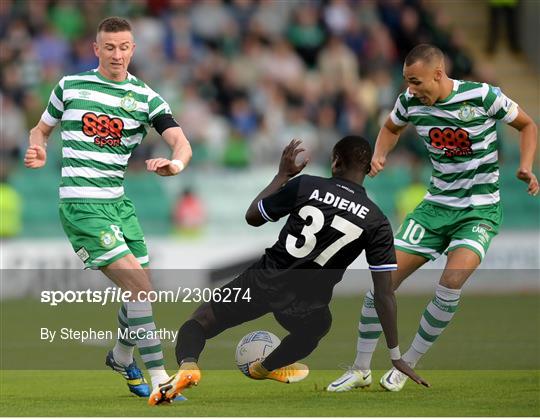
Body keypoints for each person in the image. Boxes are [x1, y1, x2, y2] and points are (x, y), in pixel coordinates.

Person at [148, 137, 430, 406]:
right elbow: (384, 293)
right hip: (308, 302)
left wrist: (282, 175)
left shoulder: (306, 186)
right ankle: (265, 367)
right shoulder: (377, 221)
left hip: (264, 279)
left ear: (335, 162)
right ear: (368, 169)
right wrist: (394, 355)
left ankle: (189, 365)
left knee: (199, 321)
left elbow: (253, 217)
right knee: (317, 328)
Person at [327, 44, 538, 393]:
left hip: (479, 209)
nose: (411, 90)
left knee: (451, 282)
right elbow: (391, 128)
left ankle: (407, 362)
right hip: (434, 207)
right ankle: (360, 368)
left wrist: (526, 166)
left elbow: (528, 125)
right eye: (407, 82)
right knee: (382, 284)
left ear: (438, 74)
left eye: (416, 82)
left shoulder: (483, 96)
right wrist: (379, 155)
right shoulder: (408, 102)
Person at [23, 17, 192, 397]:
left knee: (140, 291)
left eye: (124, 47)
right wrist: (37, 147)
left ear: (133, 49)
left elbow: (181, 142)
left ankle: (120, 355)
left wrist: (175, 164)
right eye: (109, 47)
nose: (117, 54)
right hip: (82, 205)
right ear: (96, 49)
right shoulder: (70, 86)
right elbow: (41, 129)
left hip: (119, 205)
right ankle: (160, 379)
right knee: (140, 286)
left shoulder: (147, 99)